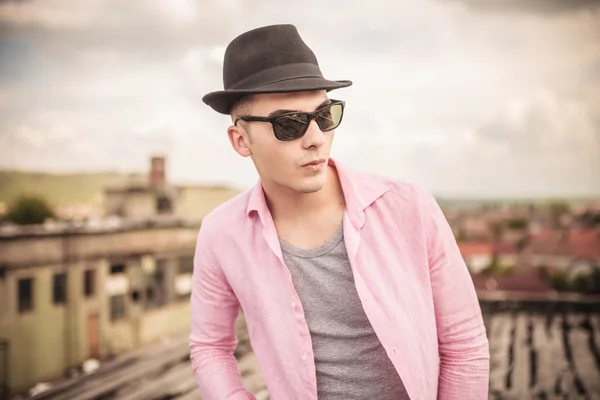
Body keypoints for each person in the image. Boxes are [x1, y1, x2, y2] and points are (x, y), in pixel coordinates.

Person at [189, 24, 490, 400]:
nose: (315, 137)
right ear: (241, 140)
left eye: (324, 115)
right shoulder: (221, 234)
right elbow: (210, 347)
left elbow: (465, 346)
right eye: (289, 124)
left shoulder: (408, 207)